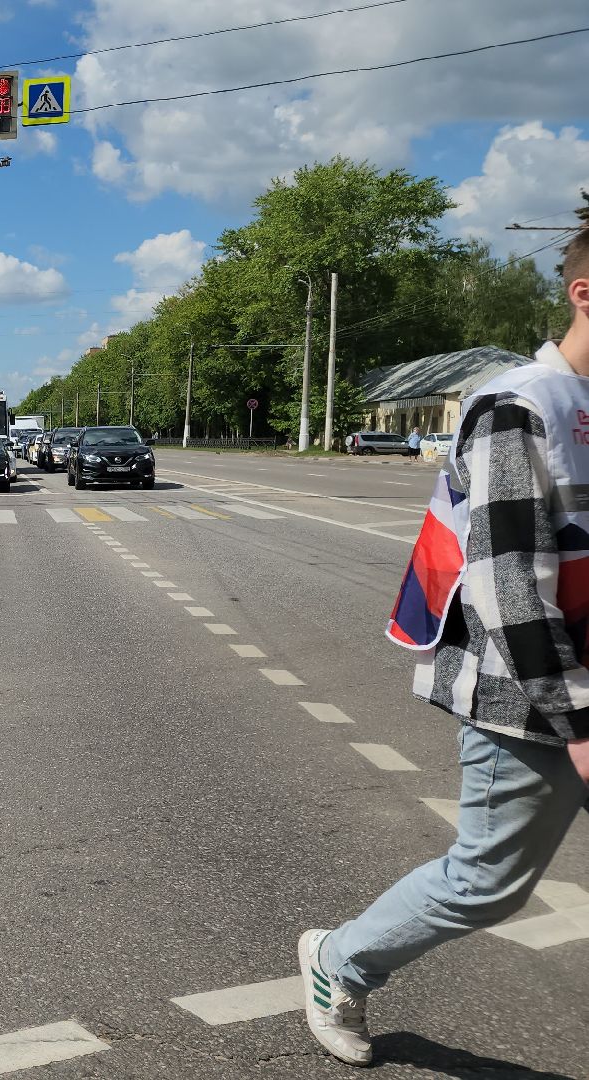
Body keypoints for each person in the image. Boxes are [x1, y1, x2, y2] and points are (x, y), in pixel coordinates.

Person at [300, 228, 589, 1068]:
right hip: (530, 693)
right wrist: (579, 723)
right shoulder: (520, 406)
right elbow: (509, 587)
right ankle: (340, 960)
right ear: (583, 293)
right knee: (487, 881)